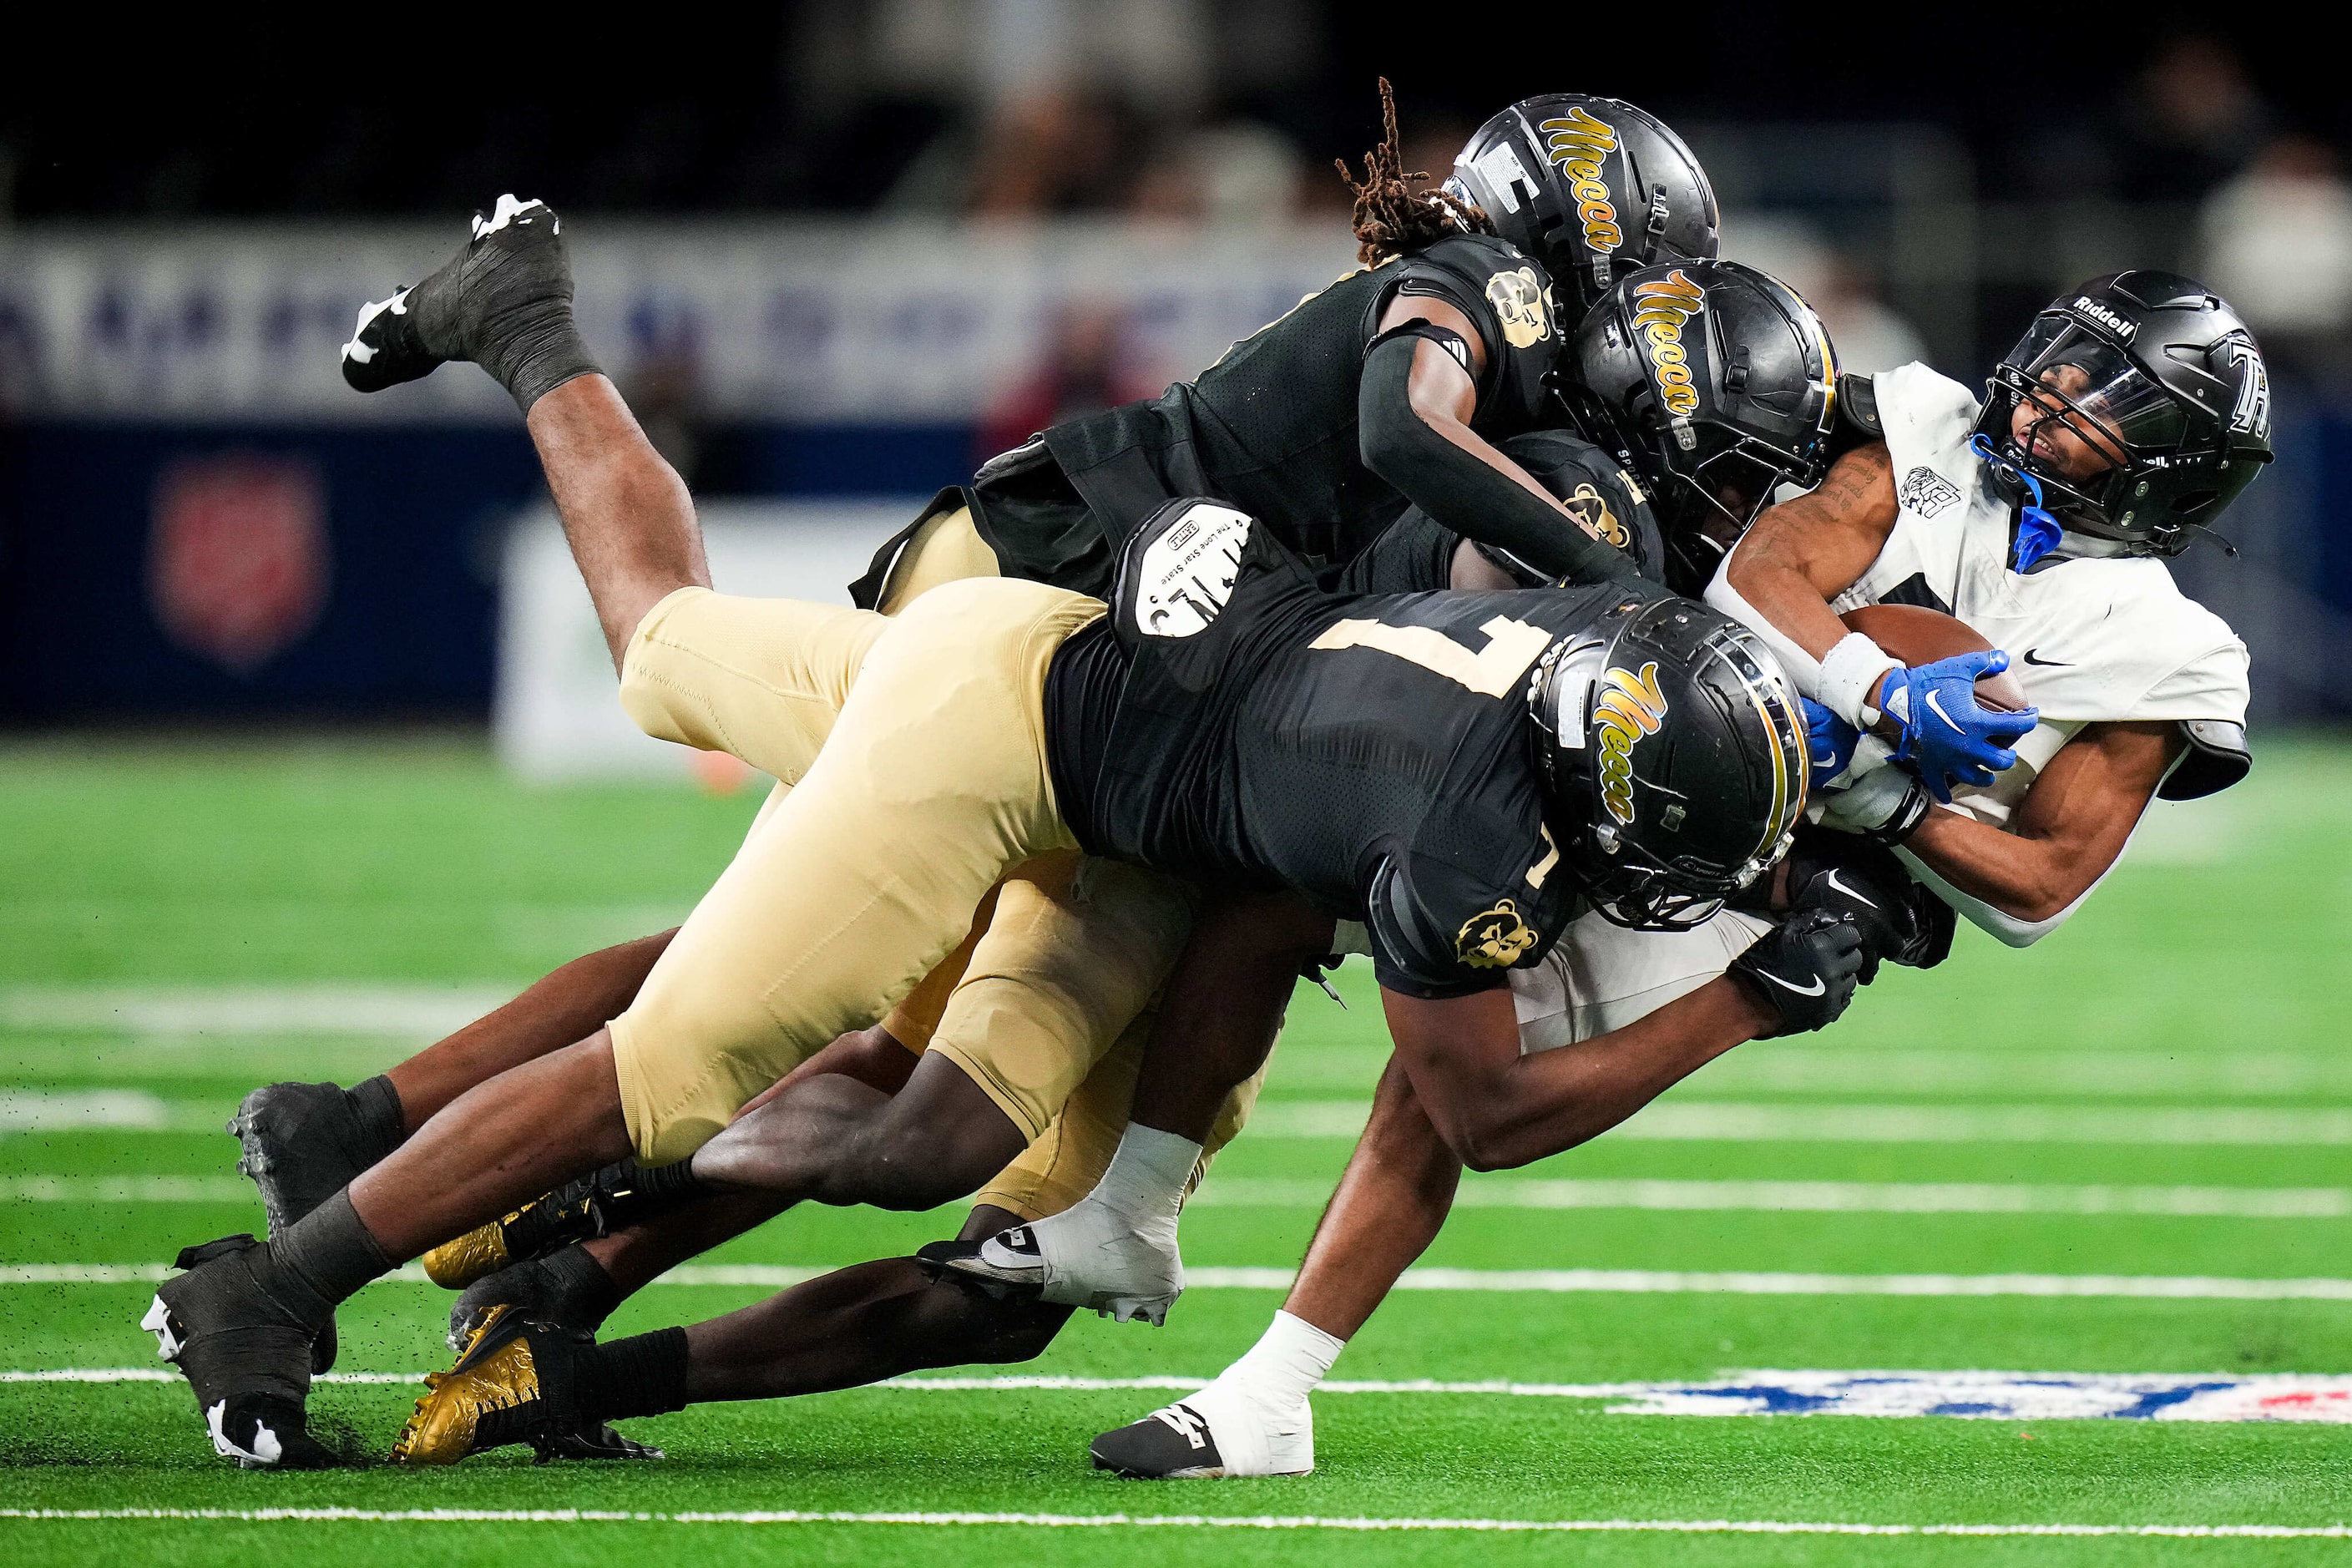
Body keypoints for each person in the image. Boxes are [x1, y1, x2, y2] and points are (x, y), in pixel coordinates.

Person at [149, 195, 1827, 1469]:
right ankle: (328, 1252)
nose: (1719, 515)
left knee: (937, 1159)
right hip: (1041, 666)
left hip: (1130, 772)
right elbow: (1456, 1061)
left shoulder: (1560, 570)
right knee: (754, 1024)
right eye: (1708, 472)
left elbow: (1292, 848)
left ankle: (510, 1270)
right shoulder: (1526, 477)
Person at [1083, 271, 2268, 1479]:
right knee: (1267, 882)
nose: (2050, 399)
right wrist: (1870, 689)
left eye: (2104, 400)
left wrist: (1879, 794)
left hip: (1768, 864)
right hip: (1640, 726)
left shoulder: (2167, 649)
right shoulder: (1926, 428)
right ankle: (1126, 1207)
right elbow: (1759, 575)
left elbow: (2040, 885)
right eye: (2064, 364)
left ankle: (1269, 1392)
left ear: (2169, 464)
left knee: (1450, 1073)